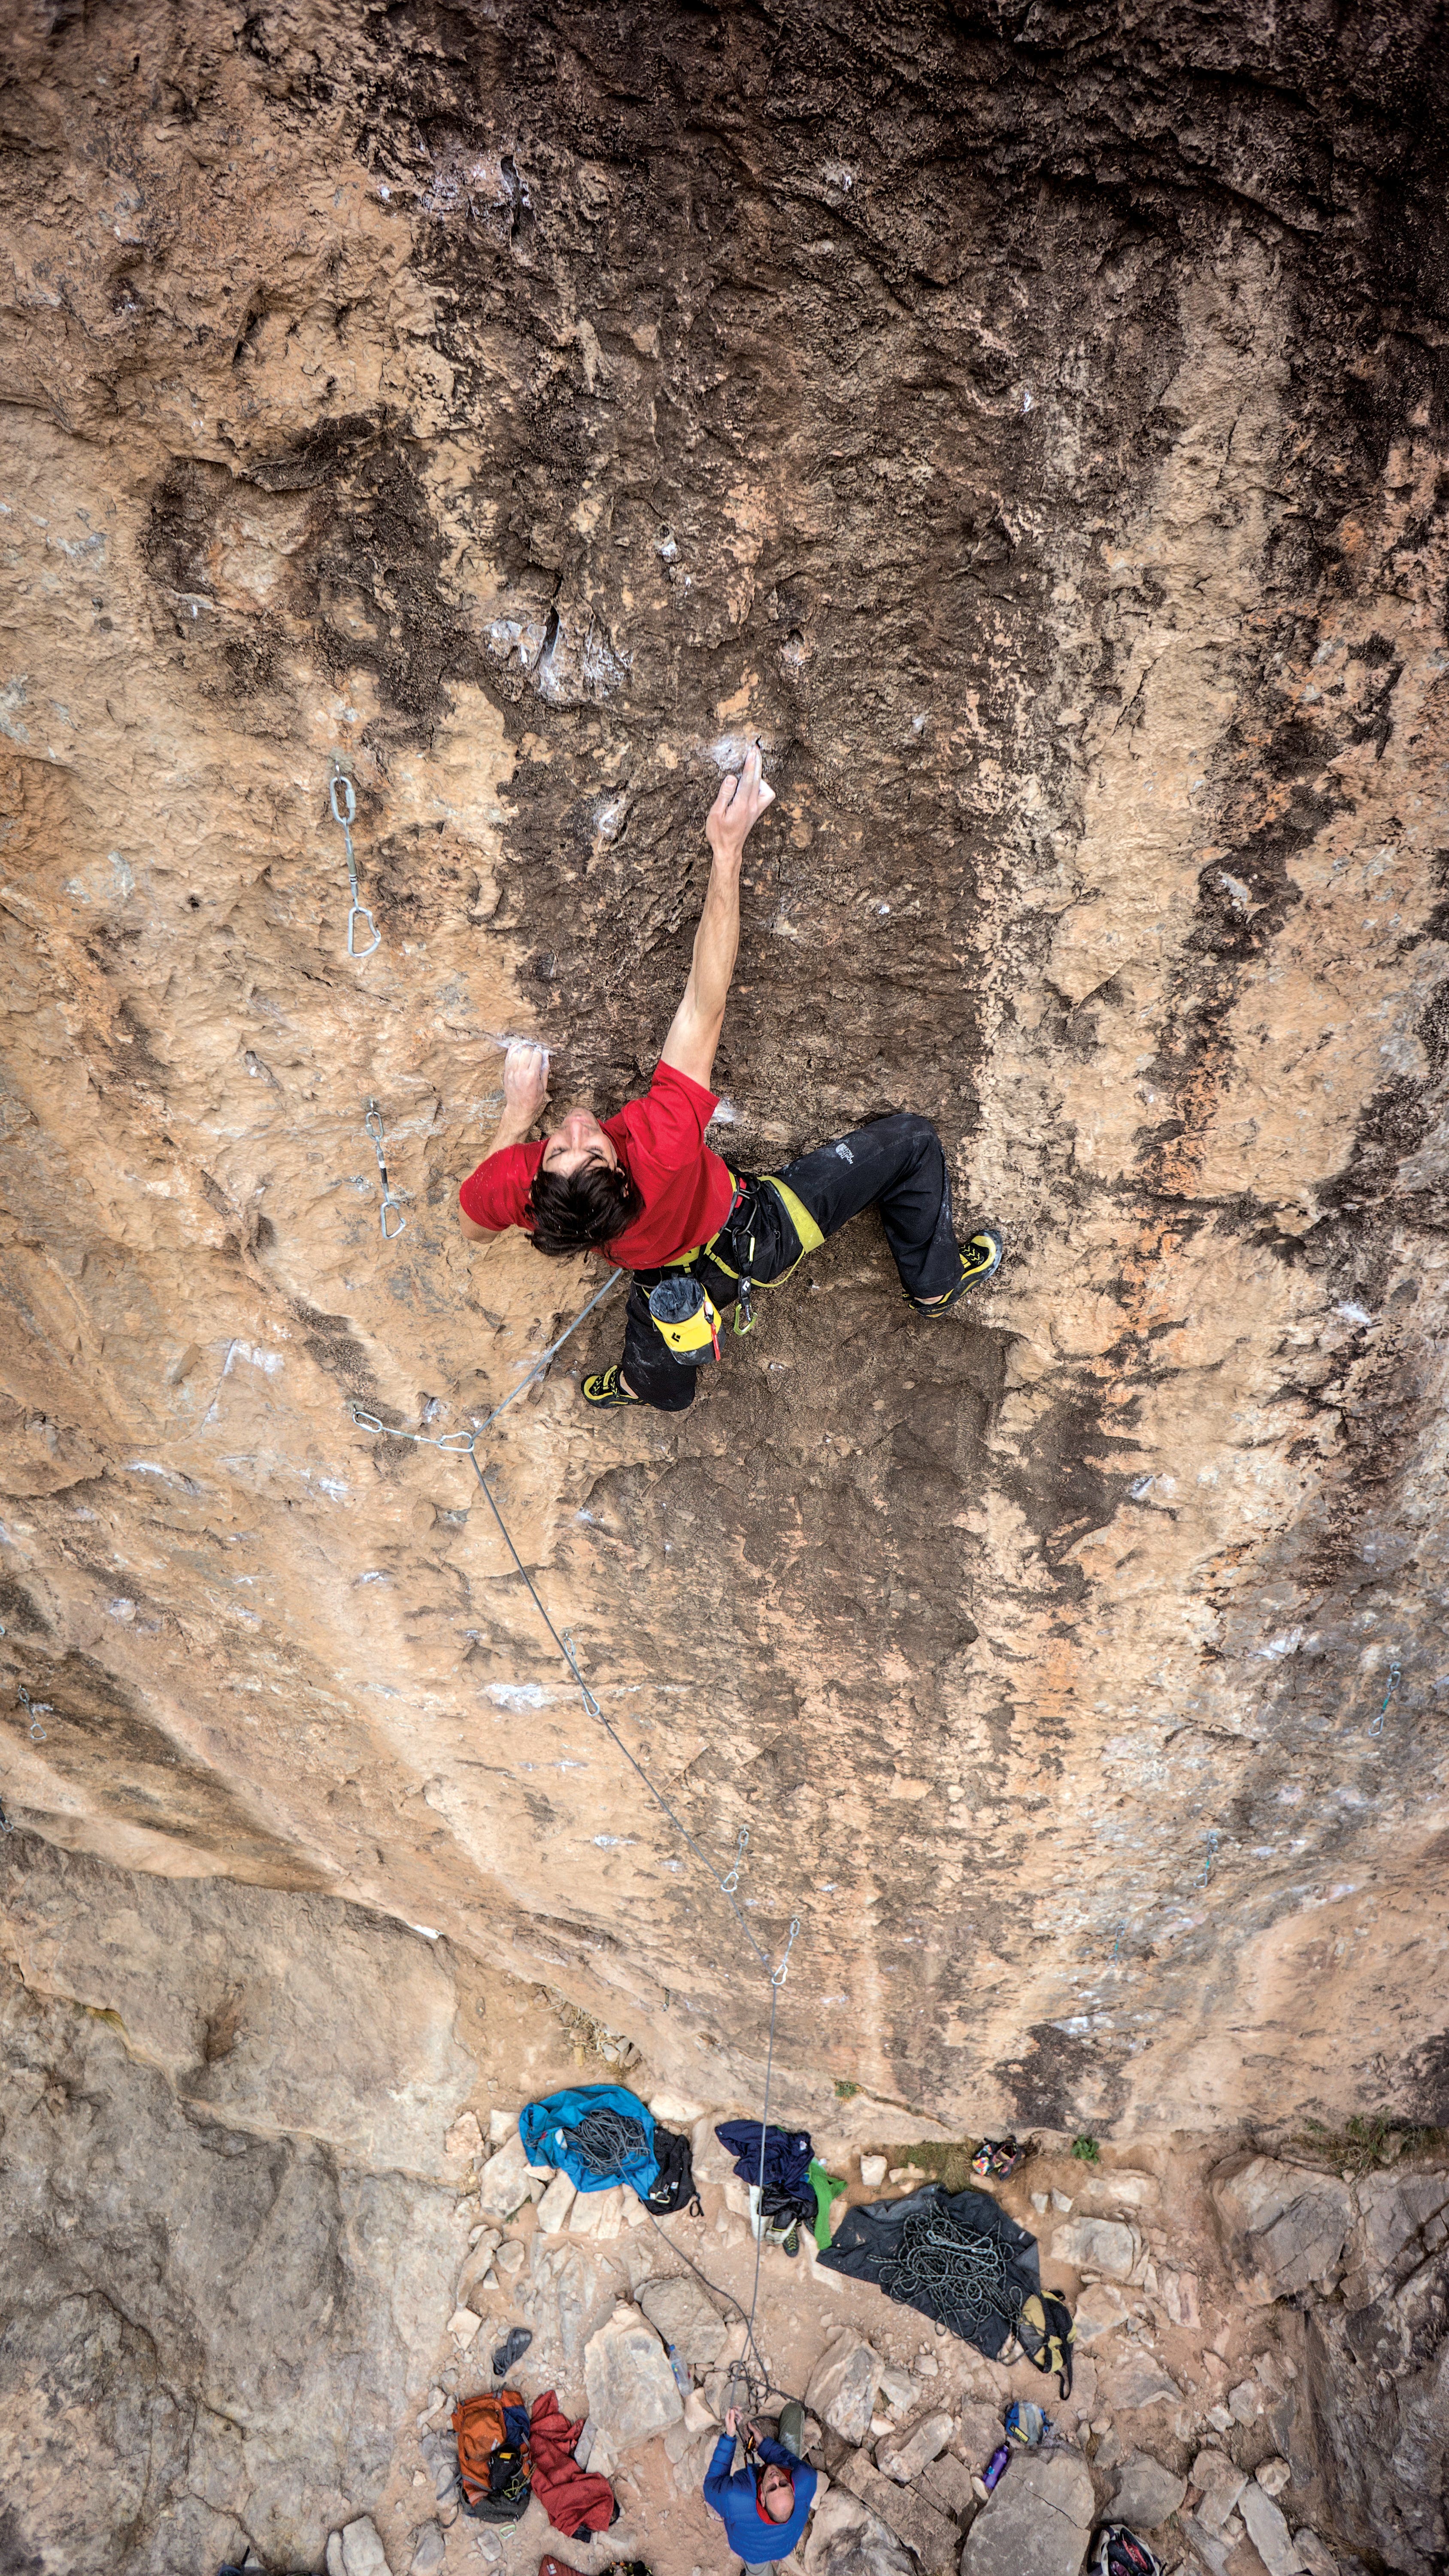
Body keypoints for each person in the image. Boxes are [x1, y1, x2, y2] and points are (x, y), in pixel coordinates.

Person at [457, 745, 1003, 1410]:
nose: (573, 1128)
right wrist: (727, 852)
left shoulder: (534, 1192)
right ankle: (934, 1284)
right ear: (622, 1175)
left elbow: (473, 1226)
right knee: (913, 1142)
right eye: (588, 1147)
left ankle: (638, 1384)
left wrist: (517, 1123)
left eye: (560, 1147)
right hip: (756, 1236)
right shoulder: (660, 1145)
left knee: (661, 1343)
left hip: (661, 1277)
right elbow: (703, 1001)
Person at [703, 2403, 816, 2569]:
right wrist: (763, 2445)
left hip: (749, 2551)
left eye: (772, 2488)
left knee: (754, 2563)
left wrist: (730, 2436)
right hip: (782, 2548)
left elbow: (711, 2486)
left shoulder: (736, 2497)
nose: (776, 2478)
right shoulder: (806, 2479)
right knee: (757, 2564)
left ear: (762, 2498)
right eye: (783, 2484)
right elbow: (789, 2465)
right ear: (793, 2490)